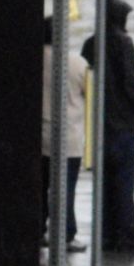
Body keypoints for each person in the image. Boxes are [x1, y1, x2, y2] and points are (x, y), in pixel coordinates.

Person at [81, 0, 134, 253]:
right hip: (122, 126)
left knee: (104, 184)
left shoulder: (91, 44)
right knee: (124, 184)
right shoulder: (124, 43)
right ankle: (125, 234)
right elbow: (130, 83)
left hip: (98, 127)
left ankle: (106, 233)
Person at [41, 16, 88, 252]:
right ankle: (66, 234)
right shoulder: (77, 63)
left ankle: (37, 229)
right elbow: (91, 94)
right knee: (65, 189)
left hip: (40, 137)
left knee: (39, 187)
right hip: (69, 138)